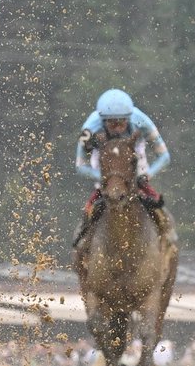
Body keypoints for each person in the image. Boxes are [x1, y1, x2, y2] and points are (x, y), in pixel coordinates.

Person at [71, 88, 177, 247]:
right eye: (112, 123)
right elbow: (80, 166)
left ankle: (166, 233)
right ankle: (82, 237)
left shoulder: (142, 122)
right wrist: (107, 178)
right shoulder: (90, 129)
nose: (117, 127)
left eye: (121, 122)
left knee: (153, 199)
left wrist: (147, 175)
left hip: (135, 157)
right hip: (105, 162)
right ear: (103, 121)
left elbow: (164, 157)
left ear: (129, 118)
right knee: (96, 202)